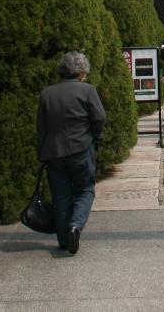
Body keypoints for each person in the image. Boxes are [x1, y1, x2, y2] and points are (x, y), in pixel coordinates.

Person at [36, 51, 106, 255]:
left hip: (53, 151)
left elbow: (41, 126)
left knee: (61, 195)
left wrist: (41, 152)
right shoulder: (87, 90)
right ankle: (74, 226)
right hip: (80, 148)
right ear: (82, 72)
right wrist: (96, 137)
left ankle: (63, 240)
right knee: (85, 190)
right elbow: (100, 117)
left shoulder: (47, 93)